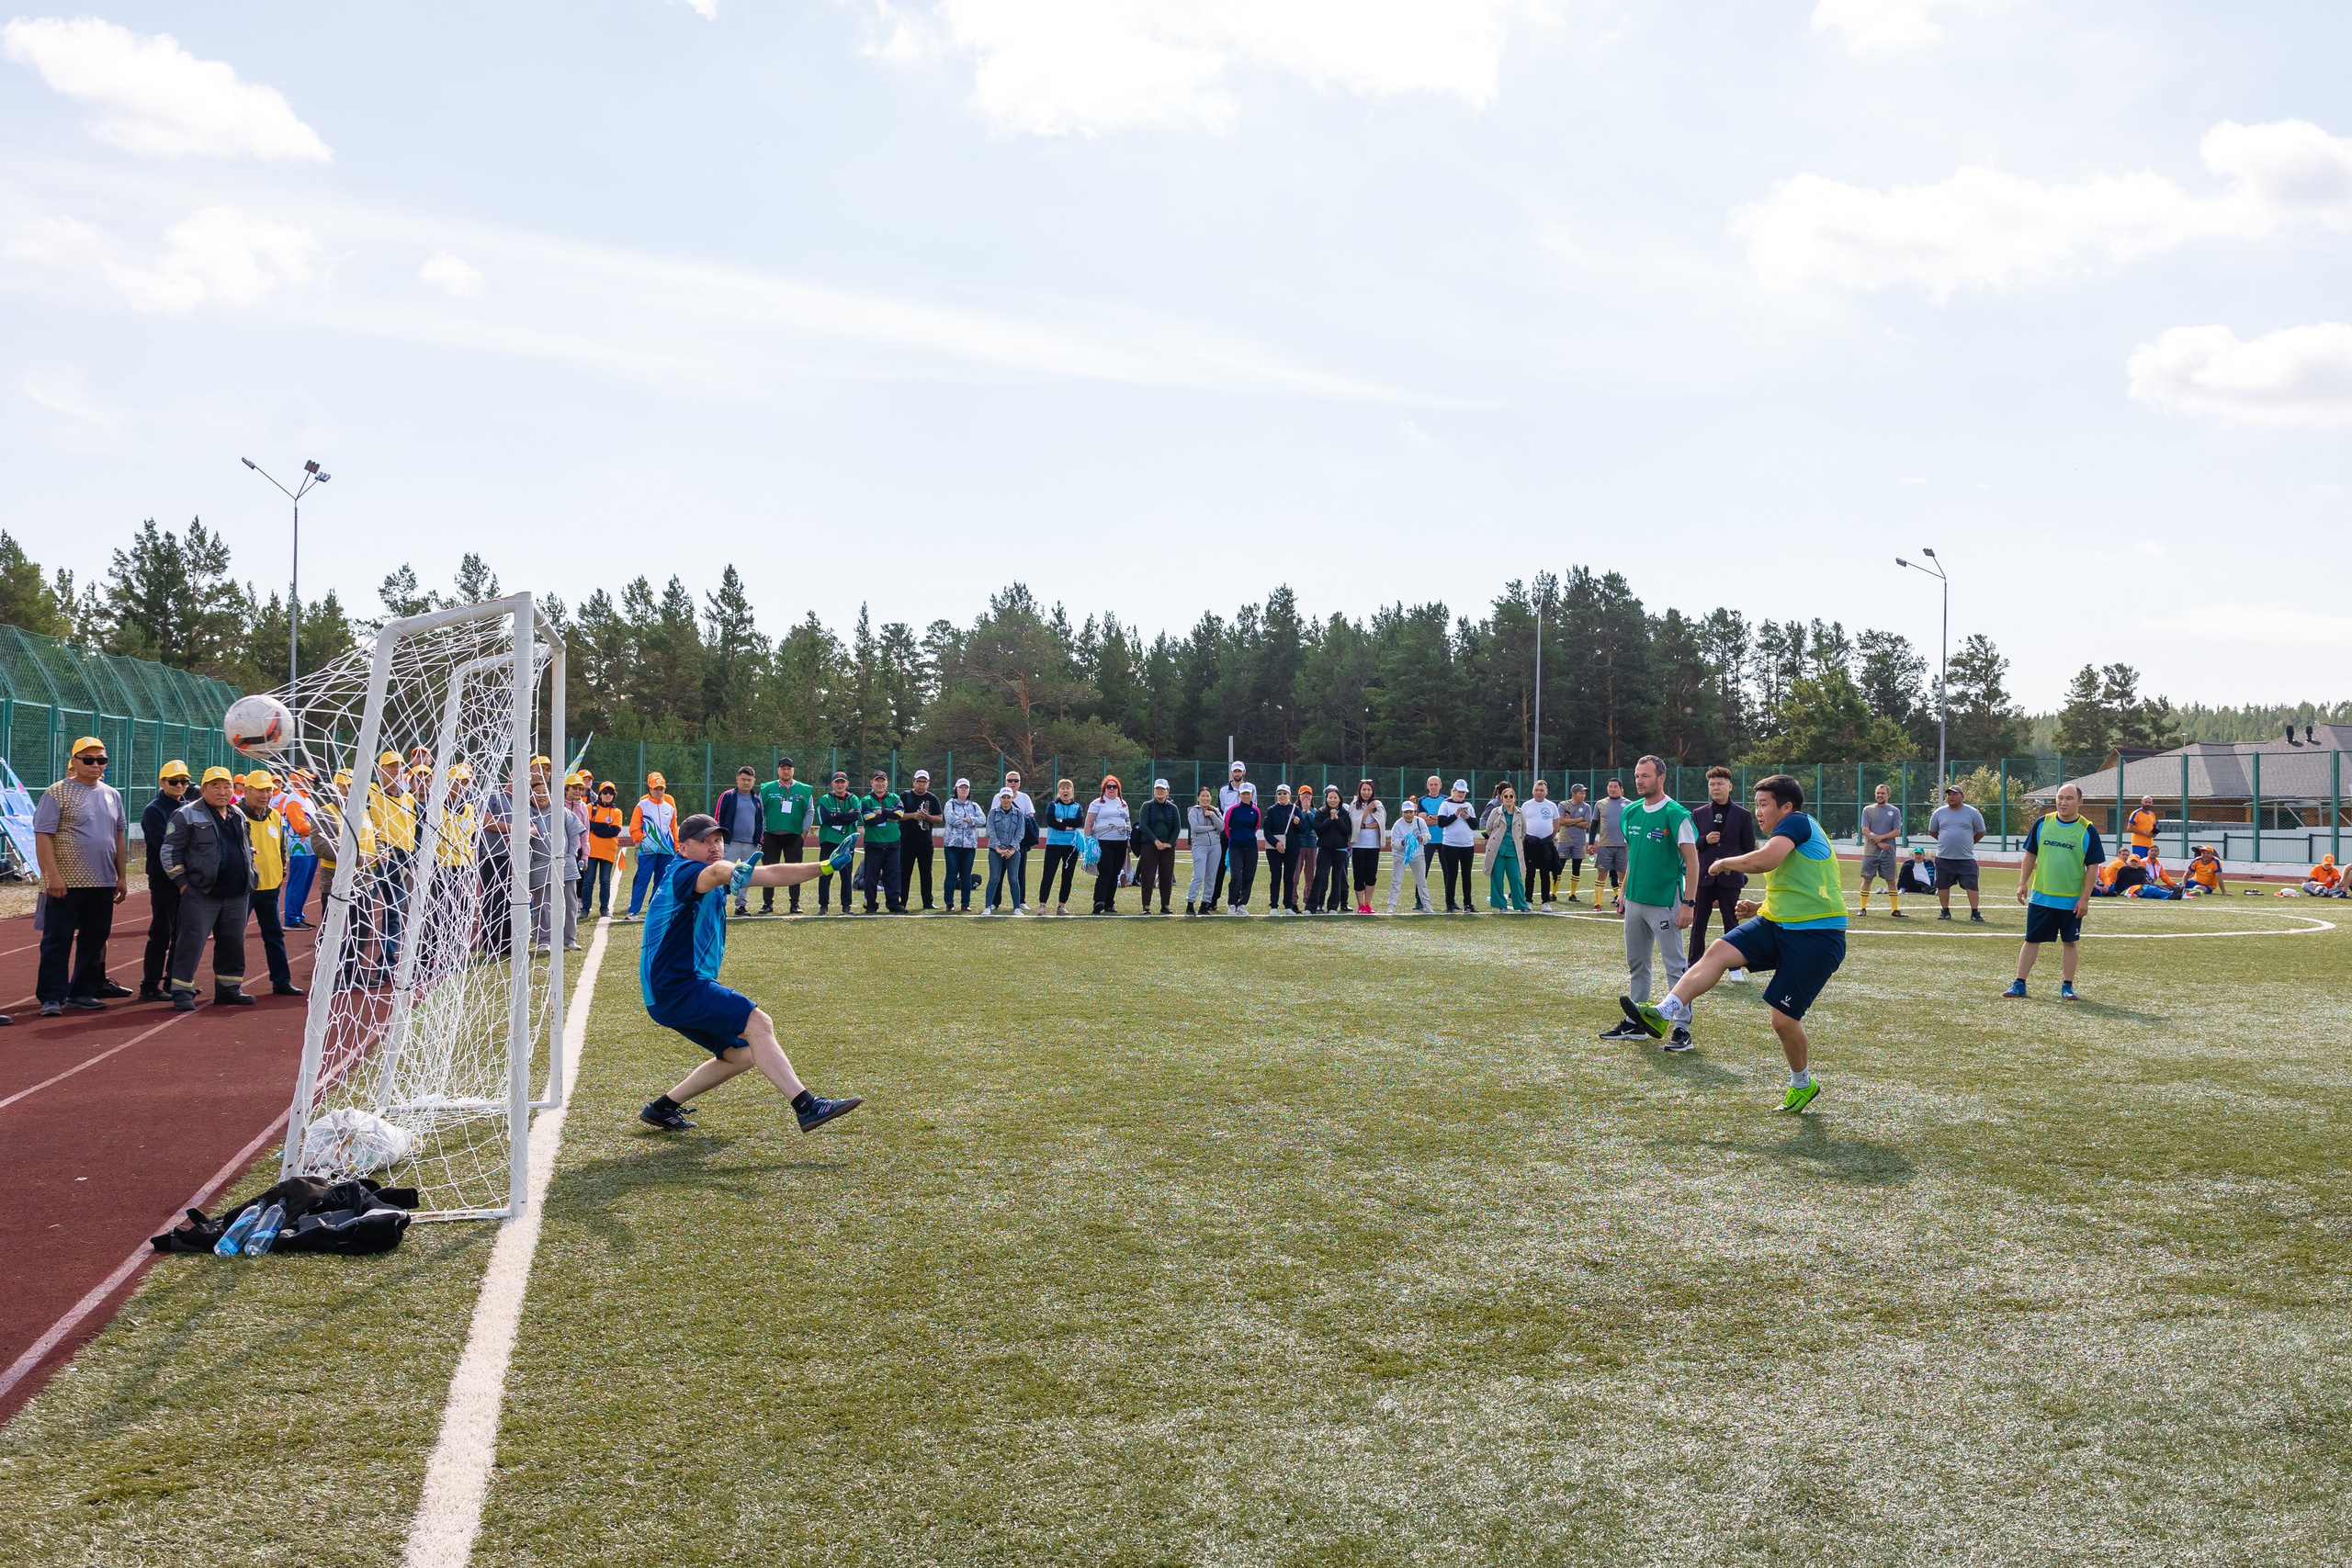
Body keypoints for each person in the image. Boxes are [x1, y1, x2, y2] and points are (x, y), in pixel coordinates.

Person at [1623, 773, 1849, 1112]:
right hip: (1777, 925)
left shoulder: (1798, 823)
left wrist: (1725, 861)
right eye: (1755, 804)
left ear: (1786, 807)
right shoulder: (1786, 834)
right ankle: (1662, 1013)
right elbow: (1801, 883)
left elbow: (1764, 861)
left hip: (1818, 936)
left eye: (1763, 805)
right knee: (1717, 951)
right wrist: (1758, 907)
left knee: (1782, 1020)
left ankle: (1802, 1083)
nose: (1757, 812)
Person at [635, 812, 862, 1134]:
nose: (714, 846)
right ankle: (806, 1105)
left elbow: (770, 873)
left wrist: (823, 866)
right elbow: (717, 870)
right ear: (682, 848)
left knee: (740, 1054)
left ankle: (662, 1108)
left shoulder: (706, 873)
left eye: (718, 840)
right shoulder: (686, 871)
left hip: (668, 992)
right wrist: (733, 869)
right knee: (758, 1023)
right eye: (704, 841)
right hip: (676, 987)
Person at [1599, 755, 1699, 1049]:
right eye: (1637, 775)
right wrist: (1622, 893)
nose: (1640, 780)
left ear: (1661, 778)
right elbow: (1634, 857)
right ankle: (1637, 1023)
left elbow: (1693, 861)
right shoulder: (1630, 812)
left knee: (1675, 966)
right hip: (1634, 901)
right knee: (1637, 964)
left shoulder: (1675, 813)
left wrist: (1688, 903)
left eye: (1646, 775)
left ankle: (1682, 1029)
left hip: (1665, 901)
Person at [33, 735, 130, 1017]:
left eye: (101, 760)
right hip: (67, 882)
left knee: (95, 937)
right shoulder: (56, 792)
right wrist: (53, 876)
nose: (96, 765)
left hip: (102, 881)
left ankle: (82, 992)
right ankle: (52, 996)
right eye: (88, 760)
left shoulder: (113, 795)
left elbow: (119, 837)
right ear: (74, 761)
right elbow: (43, 836)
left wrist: (121, 877)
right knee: (57, 939)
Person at [158, 765, 256, 1013]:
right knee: (191, 942)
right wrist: (182, 884)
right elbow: (169, 852)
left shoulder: (238, 814)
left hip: (236, 892)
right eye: (216, 786)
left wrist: (249, 872)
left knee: (233, 942)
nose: (223, 791)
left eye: (227, 786)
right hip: (201, 892)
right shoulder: (186, 814)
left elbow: (247, 847)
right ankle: (181, 991)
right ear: (203, 790)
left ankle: (228, 988)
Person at [2006, 786, 2103, 1000]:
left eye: (2069, 798)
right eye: (2060, 798)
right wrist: (2023, 883)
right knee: (2031, 939)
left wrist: (2085, 898)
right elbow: (2030, 855)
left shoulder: (2087, 829)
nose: (2063, 802)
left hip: (2070, 901)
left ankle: (2067, 986)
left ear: (2080, 802)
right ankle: (2019, 984)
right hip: (2041, 897)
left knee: (2070, 942)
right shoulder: (2043, 823)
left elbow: (2093, 867)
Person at [238, 770, 301, 995]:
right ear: (247, 791)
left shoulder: (274, 814)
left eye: (269, 790)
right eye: (261, 790)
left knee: (274, 936)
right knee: (235, 937)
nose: (266, 795)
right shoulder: (236, 815)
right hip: (244, 889)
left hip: (271, 887)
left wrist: (282, 866)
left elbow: (281, 844)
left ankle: (281, 981)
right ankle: (230, 984)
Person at [1689, 765, 1755, 976]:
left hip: (1730, 878)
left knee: (1732, 923)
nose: (1716, 788)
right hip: (1704, 878)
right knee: (1699, 923)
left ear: (1730, 786)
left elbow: (1749, 848)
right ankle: (1693, 966)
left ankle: (1735, 968)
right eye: (1712, 784)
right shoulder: (1698, 814)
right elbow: (1689, 844)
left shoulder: (1743, 815)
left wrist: (1733, 866)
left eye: (1720, 784)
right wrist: (1704, 840)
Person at [138, 760, 193, 1001]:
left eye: (184, 781)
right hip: (164, 880)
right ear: (162, 782)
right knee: (161, 932)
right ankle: (149, 985)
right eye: (174, 781)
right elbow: (166, 846)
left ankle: (174, 981)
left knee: (182, 932)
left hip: (186, 879)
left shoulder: (189, 806)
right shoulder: (154, 810)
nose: (179, 785)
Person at [757, 757, 816, 914]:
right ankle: (767, 904)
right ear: (778, 770)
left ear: (793, 771)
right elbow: (759, 811)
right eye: (783, 768)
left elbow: (810, 811)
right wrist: (763, 830)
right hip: (771, 836)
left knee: (795, 871)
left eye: (789, 768)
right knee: (768, 870)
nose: (786, 771)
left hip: (794, 836)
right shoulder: (767, 788)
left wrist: (804, 832)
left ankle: (794, 904)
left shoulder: (804, 789)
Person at [1929, 782, 1989, 921]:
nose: (1951, 797)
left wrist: (1969, 842)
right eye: (1949, 794)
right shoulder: (1939, 813)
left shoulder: (1973, 813)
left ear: (1962, 796)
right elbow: (1932, 831)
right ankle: (1945, 911)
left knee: (1972, 884)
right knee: (1943, 885)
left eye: (1955, 794)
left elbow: (1981, 831)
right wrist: (1946, 841)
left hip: (1965, 858)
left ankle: (1975, 912)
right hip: (1944, 857)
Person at [624, 773, 677, 920]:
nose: (659, 792)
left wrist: (676, 846)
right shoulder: (642, 805)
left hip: (667, 850)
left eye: (661, 789)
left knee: (661, 881)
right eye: (656, 789)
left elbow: (673, 829)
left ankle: (654, 910)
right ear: (650, 789)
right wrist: (643, 838)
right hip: (647, 850)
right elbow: (634, 827)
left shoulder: (669, 807)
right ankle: (633, 911)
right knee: (643, 879)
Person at [714, 767, 765, 917]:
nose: (746, 782)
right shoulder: (728, 796)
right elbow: (718, 817)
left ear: (754, 781)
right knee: (723, 873)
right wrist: (719, 839)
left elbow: (760, 821)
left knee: (745, 876)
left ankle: (741, 906)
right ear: (737, 779)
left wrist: (758, 840)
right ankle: (719, 903)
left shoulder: (756, 800)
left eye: (749, 780)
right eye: (743, 779)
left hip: (750, 845)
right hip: (730, 843)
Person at [856, 770, 906, 915]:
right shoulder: (866, 800)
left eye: (882, 781)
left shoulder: (895, 797)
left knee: (893, 875)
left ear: (887, 783)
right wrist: (889, 814)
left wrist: (881, 812)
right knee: (871, 876)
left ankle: (894, 904)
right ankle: (870, 905)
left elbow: (899, 814)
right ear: (872, 782)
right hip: (874, 843)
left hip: (893, 843)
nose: (880, 783)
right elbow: (868, 819)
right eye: (877, 780)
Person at [1480, 782, 1531, 911]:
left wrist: (1515, 841)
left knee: (1516, 878)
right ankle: (1501, 905)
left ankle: (1521, 905)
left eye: (1511, 796)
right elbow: (1489, 829)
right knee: (1497, 878)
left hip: (1513, 850)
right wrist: (1497, 840)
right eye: (1506, 796)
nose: (1508, 799)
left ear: (1515, 798)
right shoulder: (1495, 812)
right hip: (1497, 851)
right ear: (1501, 798)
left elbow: (1523, 831)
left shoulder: (1519, 813)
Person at [815, 773, 861, 915]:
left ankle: (846, 907)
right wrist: (845, 816)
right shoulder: (825, 799)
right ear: (832, 784)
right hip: (829, 841)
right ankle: (823, 906)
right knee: (825, 873)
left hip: (847, 842)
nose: (840, 785)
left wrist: (836, 815)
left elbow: (856, 816)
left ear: (847, 784)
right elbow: (826, 819)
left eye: (843, 782)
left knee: (846, 875)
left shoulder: (853, 799)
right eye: (837, 782)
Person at [1085, 774, 1133, 913]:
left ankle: (1109, 903)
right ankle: (1098, 901)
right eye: (1109, 786)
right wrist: (1088, 840)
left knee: (1115, 873)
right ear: (1104, 789)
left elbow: (1128, 821)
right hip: (1103, 841)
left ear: (1118, 789)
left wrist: (1129, 841)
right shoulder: (1097, 803)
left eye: (1114, 786)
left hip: (1121, 841)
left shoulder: (1123, 803)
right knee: (1105, 871)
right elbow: (1089, 822)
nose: (1112, 789)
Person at [277, 769, 318, 929]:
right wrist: (320, 827)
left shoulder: (307, 800)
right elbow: (300, 826)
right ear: (298, 782)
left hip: (311, 848)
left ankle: (298, 916)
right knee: (297, 883)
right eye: (307, 780)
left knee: (305, 884)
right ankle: (291, 918)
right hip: (299, 849)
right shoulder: (294, 799)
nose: (311, 783)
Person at [1856, 783, 1904, 917]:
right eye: (1878, 793)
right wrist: (1878, 842)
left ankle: (1895, 909)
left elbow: (1896, 832)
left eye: (1882, 793)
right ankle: (1862, 908)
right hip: (1870, 851)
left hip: (1888, 851)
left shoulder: (1894, 811)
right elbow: (1865, 829)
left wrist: (1881, 839)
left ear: (1888, 795)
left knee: (1891, 881)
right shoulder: (1868, 810)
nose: (1880, 795)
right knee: (1867, 879)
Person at [1039, 778, 1086, 916]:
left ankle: (1062, 906)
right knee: (1048, 875)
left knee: (1068, 876)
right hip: (1053, 844)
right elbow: (1051, 822)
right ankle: (1042, 905)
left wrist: (1062, 822)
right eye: (1062, 788)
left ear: (1072, 791)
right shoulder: (1052, 805)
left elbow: (1078, 822)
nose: (1065, 791)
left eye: (1068, 788)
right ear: (1058, 791)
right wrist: (1067, 826)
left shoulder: (1077, 807)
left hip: (1071, 846)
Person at [1430, 779, 1478, 911]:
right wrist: (1455, 815)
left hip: (1467, 845)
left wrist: (1467, 817)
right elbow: (1441, 823)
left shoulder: (1468, 805)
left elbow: (1475, 825)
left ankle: (1468, 904)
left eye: (1464, 792)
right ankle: (1450, 903)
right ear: (1454, 791)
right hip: (1450, 845)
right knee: (1452, 874)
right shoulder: (1445, 804)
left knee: (1466, 875)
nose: (1461, 794)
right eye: (1459, 792)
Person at [1135, 779, 1182, 914]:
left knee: (1166, 877)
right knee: (1148, 877)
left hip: (1168, 847)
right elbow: (1143, 825)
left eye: (1163, 789)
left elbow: (1177, 828)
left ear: (1168, 791)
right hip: (1149, 846)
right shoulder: (1147, 805)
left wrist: (1170, 843)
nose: (1160, 791)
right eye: (1157, 789)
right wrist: (1155, 841)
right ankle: (1146, 906)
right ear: (1154, 790)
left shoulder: (1173, 807)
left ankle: (1165, 905)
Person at [899, 769, 942, 910]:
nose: (921, 784)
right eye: (919, 781)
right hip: (906, 841)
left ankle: (927, 902)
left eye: (924, 782)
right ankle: (902, 902)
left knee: (926, 873)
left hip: (925, 842)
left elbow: (939, 819)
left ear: (928, 783)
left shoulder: (933, 798)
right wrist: (914, 815)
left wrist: (927, 817)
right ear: (914, 782)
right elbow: (898, 815)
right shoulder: (904, 796)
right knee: (905, 872)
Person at [941, 779, 985, 912]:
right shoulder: (950, 804)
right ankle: (949, 903)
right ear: (956, 789)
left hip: (969, 846)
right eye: (961, 788)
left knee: (966, 876)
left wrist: (969, 819)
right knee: (951, 874)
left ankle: (965, 903)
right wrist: (970, 823)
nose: (964, 790)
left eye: (966, 787)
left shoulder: (975, 806)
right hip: (952, 845)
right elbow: (951, 820)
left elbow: (983, 820)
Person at [983, 785, 1027, 914]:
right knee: (994, 878)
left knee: (1014, 879)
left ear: (1012, 798)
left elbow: (1020, 833)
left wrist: (1012, 848)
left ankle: (1017, 908)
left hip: (1013, 851)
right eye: (1004, 797)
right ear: (999, 798)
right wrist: (998, 848)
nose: (1006, 800)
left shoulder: (1018, 814)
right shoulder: (993, 812)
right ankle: (988, 906)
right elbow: (990, 831)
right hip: (995, 851)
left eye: (1008, 797)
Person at [1209, 761, 1248, 908]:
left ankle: (1238, 899)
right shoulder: (1223, 790)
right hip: (1227, 832)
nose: (1237, 774)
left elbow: (1253, 806)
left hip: (1243, 833)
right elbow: (1222, 811)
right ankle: (1213, 899)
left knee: (1241, 867)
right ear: (1232, 773)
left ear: (1244, 772)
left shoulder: (1250, 789)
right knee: (1220, 865)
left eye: (1239, 771)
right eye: (1235, 771)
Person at [583, 781, 625, 915]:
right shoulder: (590, 807)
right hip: (591, 850)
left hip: (608, 851)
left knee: (605, 881)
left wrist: (596, 829)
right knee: (588, 881)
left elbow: (614, 830)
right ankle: (585, 909)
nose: (608, 795)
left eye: (611, 793)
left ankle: (604, 908)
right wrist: (602, 827)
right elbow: (586, 824)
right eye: (605, 792)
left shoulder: (617, 812)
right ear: (600, 794)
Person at [1520, 779, 1562, 905]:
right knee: (1530, 874)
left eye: (1541, 790)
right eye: (1537, 790)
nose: (1539, 793)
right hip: (1530, 845)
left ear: (1546, 792)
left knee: (1545, 874)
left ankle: (1545, 902)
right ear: (1533, 791)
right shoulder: (1526, 805)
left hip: (1545, 845)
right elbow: (1521, 825)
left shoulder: (1552, 806)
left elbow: (1556, 825)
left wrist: (1547, 838)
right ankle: (1528, 901)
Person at [1311, 784, 1352, 912]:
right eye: (1330, 797)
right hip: (1324, 849)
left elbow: (1346, 830)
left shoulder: (1345, 813)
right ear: (1326, 798)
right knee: (1320, 877)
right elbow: (1318, 829)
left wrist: (1337, 819)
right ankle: (1317, 904)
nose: (1333, 800)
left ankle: (1333, 906)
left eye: (1335, 797)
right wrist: (1330, 819)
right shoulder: (1321, 812)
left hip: (1340, 850)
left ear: (1339, 798)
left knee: (1338, 878)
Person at [1261, 784, 1302, 913]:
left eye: (1285, 793)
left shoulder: (1296, 809)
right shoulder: (1271, 810)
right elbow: (1267, 831)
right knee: (1276, 876)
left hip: (1292, 848)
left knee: (1289, 877)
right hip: (1274, 849)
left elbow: (1303, 830)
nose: (1282, 796)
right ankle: (1274, 905)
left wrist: (1298, 823)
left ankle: (1288, 906)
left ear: (1289, 795)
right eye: (1280, 794)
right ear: (1277, 795)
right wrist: (1276, 843)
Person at [1591, 775, 1631, 910]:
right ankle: (1597, 903)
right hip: (1605, 845)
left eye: (1615, 787)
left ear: (1621, 789)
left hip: (1622, 845)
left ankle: (1622, 903)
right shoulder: (1600, 804)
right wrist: (1591, 842)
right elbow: (1594, 824)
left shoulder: (1629, 804)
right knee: (1601, 874)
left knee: (1622, 875)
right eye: (1610, 786)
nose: (1612, 789)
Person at [1346, 780, 1385, 913]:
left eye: (1369, 790)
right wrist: (1367, 811)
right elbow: (1355, 823)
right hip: (1358, 845)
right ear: (1360, 791)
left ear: (1372, 791)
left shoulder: (1378, 805)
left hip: (1373, 846)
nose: (1366, 792)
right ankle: (1360, 905)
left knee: (1371, 875)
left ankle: (1368, 904)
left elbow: (1380, 823)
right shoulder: (1354, 805)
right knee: (1359, 875)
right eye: (1364, 789)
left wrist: (1364, 826)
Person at [1223, 783, 1262, 914]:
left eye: (1248, 794)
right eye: (1243, 794)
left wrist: (1247, 838)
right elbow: (1227, 828)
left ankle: (1242, 904)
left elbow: (1255, 827)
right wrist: (1235, 839)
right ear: (1239, 795)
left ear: (1252, 794)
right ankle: (1232, 904)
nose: (1246, 796)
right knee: (1236, 877)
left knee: (1249, 876)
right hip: (1235, 847)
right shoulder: (1233, 810)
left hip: (1251, 847)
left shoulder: (1256, 810)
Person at [1185, 787, 1223, 915]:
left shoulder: (1215, 811)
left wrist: (1212, 815)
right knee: (1199, 875)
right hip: (1200, 846)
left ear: (1211, 797)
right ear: (1198, 797)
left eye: (1208, 796)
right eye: (1203, 796)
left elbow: (1222, 827)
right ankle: (1190, 904)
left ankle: (1204, 905)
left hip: (1215, 847)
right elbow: (1196, 828)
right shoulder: (1193, 811)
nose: (1205, 798)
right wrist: (1212, 827)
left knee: (1211, 876)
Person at [1557, 783, 1594, 903]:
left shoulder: (1587, 807)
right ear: (1574, 794)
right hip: (1564, 840)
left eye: (1584, 793)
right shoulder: (1563, 804)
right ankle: (1553, 893)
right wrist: (1579, 819)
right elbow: (1561, 821)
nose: (1583, 795)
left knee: (1576, 867)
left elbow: (1587, 824)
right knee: (1558, 866)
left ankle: (1572, 894)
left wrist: (1570, 820)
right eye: (1581, 793)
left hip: (1579, 841)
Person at [2127, 795, 2160, 862]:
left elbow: (2154, 827)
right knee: (2139, 863)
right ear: (2141, 802)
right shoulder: (2136, 813)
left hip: (2150, 844)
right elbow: (2129, 828)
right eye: (2146, 802)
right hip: (2138, 844)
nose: (2147, 804)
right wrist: (2144, 833)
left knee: (2149, 863)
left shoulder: (2152, 814)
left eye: (2149, 802)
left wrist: (2154, 834)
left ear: (2152, 803)